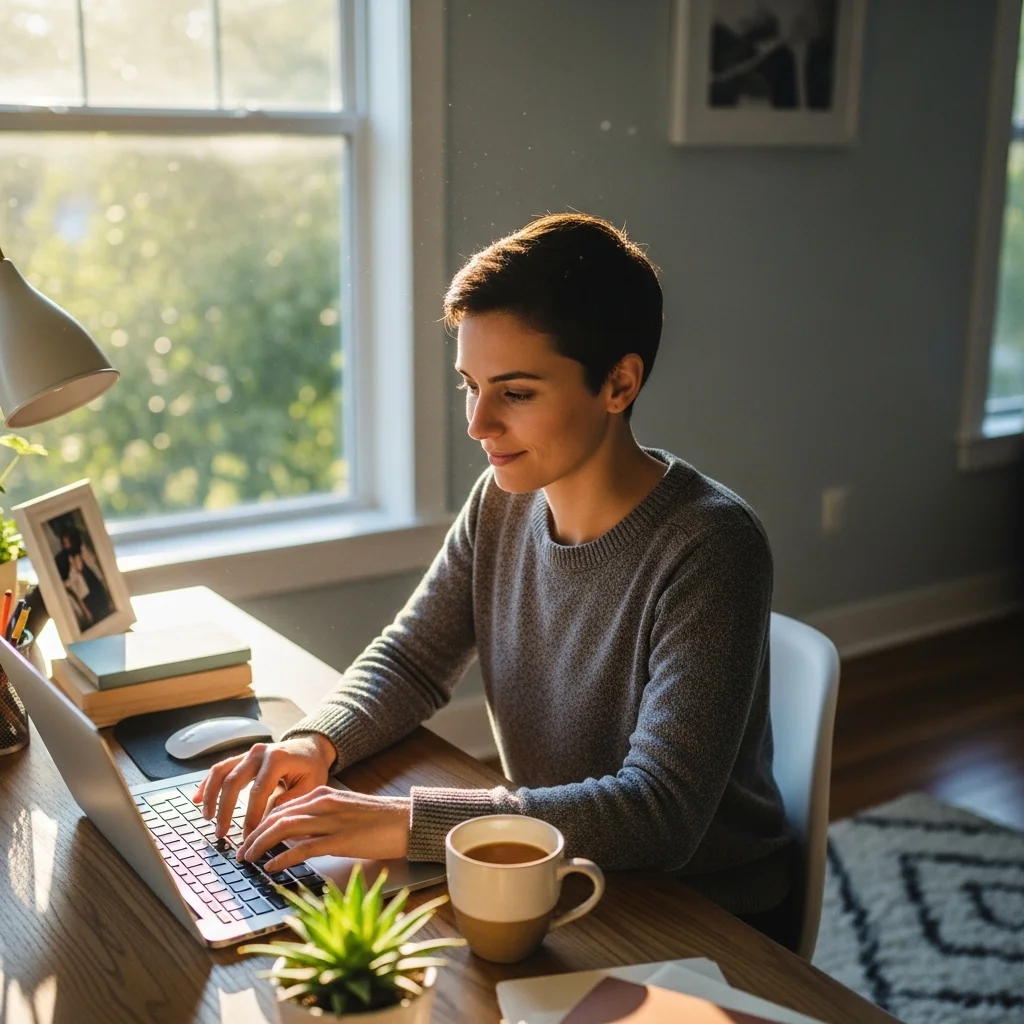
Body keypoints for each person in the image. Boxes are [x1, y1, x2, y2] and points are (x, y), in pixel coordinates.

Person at [194, 212, 797, 946]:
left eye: (514, 393)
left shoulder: (711, 546)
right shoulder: (502, 503)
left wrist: (405, 823)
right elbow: (413, 659)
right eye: (469, 386)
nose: (478, 423)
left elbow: (659, 813)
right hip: (545, 869)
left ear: (618, 383)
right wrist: (315, 744)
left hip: (699, 909)